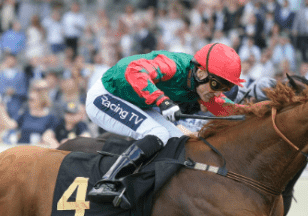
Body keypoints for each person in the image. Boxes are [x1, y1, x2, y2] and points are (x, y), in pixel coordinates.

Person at [84, 42, 245, 206]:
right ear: (201, 72)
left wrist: (258, 112)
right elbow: (135, 70)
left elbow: (230, 109)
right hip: (106, 96)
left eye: (226, 88)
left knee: (179, 141)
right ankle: (107, 183)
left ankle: (148, 192)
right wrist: (162, 101)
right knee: (158, 133)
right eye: (216, 85)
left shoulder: (201, 84)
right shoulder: (173, 65)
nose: (218, 93)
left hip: (136, 102)